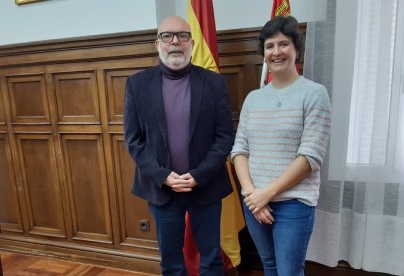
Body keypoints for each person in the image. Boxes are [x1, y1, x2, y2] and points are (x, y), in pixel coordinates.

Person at [124, 16, 234, 276]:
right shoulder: (137, 85)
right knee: (171, 263)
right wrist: (163, 176)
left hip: (205, 186)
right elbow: (134, 140)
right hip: (163, 190)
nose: (175, 41)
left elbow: (224, 136)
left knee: (211, 260)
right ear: (157, 43)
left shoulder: (214, 83)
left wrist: (198, 175)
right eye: (167, 36)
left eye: (182, 36)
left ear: (192, 43)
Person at [230, 16, 331, 276]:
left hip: (293, 204)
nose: (276, 52)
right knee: (270, 266)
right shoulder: (254, 98)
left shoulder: (315, 93)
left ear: (297, 49)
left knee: (288, 271)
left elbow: (310, 157)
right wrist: (253, 195)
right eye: (270, 46)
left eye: (283, 44)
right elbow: (239, 149)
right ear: (263, 53)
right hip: (254, 202)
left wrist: (267, 194)